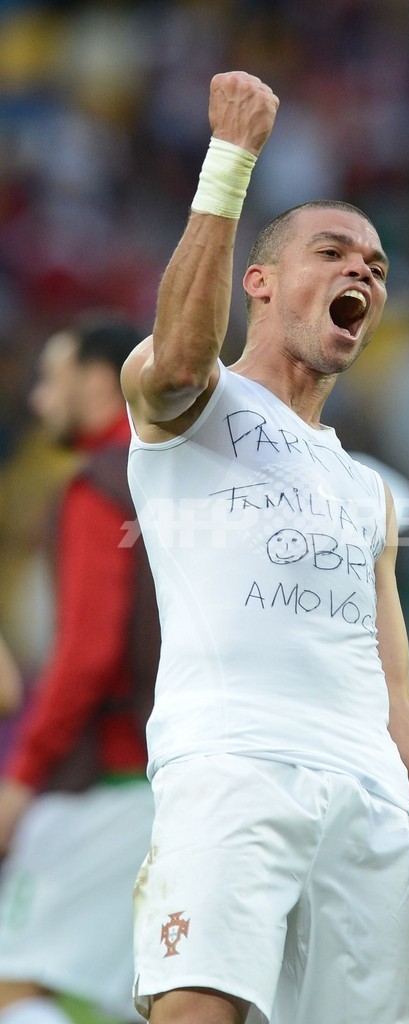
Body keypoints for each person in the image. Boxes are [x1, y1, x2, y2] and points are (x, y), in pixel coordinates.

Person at [121, 71, 409, 1024]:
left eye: (375, 267)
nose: (361, 274)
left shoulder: (365, 490)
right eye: (331, 252)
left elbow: (394, 704)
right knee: (198, 1011)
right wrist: (231, 161)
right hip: (234, 766)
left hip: (370, 803)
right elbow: (179, 358)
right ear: (258, 283)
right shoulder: (194, 405)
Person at [0, 318, 160, 1024]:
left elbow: (86, 654)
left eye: (51, 380)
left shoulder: (101, 486)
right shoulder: (182, 477)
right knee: (161, 999)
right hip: (185, 775)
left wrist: (22, 776)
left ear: (98, 383)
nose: (39, 401)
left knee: (12, 984)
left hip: (109, 779)